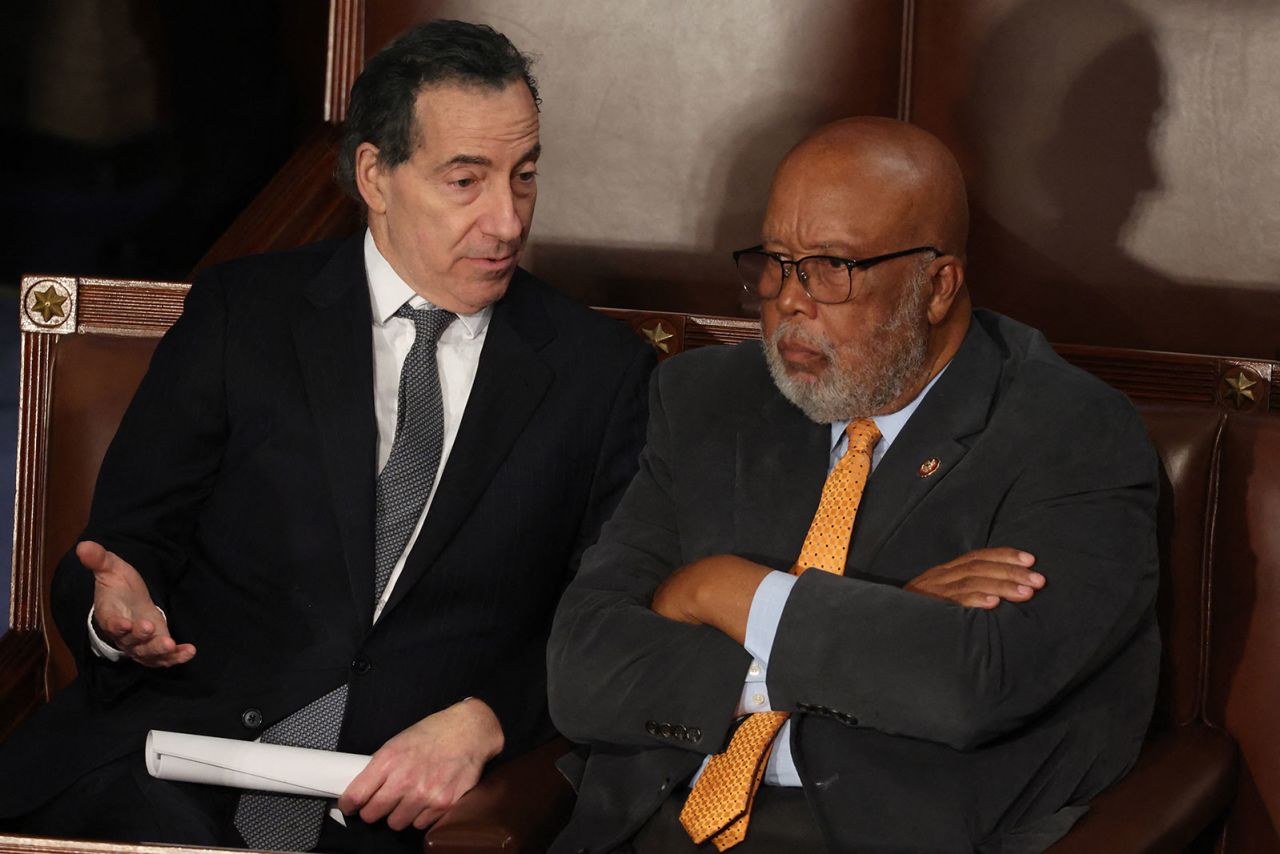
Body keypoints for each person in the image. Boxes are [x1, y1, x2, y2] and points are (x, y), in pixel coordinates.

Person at [0, 19, 653, 854]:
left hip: (393, 804)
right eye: (466, 181)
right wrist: (115, 612)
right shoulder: (242, 315)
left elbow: (608, 617)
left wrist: (485, 720)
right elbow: (126, 544)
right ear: (376, 176)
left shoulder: (601, 374)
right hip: (173, 766)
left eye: (523, 178)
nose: (506, 221)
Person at [546, 117, 1159, 853]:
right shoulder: (709, 400)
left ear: (937, 287)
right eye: (775, 261)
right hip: (654, 829)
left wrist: (724, 590)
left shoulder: (1069, 432)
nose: (788, 302)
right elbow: (581, 667)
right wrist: (876, 623)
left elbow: (969, 684)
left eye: (830, 267)